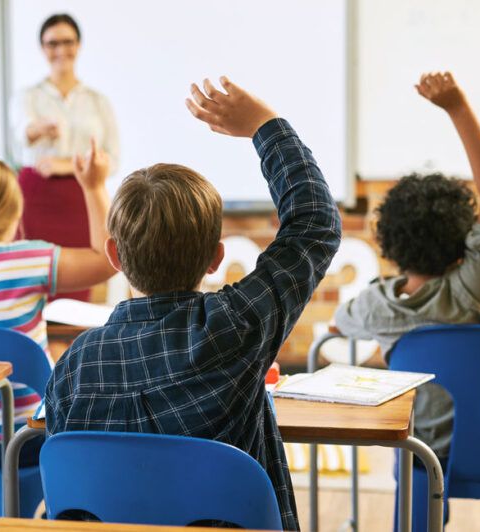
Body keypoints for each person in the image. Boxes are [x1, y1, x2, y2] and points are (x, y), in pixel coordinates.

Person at [45, 76, 343, 530]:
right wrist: (265, 125)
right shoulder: (235, 328)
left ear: (114, 257)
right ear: (216, 259)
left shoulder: (74, 368)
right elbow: (315, 222)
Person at [333, 72, 480, 488]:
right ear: (465, 241)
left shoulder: (377, 306)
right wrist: (457, 107)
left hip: (423, 456)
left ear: (389, 243)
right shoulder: (472, 289)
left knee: (410, 462)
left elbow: (342, 322)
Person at [0, 141, 116, 460]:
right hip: (23, 440)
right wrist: (94, 187)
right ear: (15, 211)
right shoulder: (30, 259)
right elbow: (108, 258)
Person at [11, 13, 120, 301]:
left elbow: (112, 157)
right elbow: (20, 136)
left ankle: (73, 345)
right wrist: (37, 129)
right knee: (32, 280)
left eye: (68, 42)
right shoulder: (28, 97)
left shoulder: (98, 101)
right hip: (36, 198)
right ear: (42, 48)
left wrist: (65, 164)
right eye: (52, 43)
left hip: (82, 197)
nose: (61, 50)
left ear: (79, 45)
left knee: (81, 281)